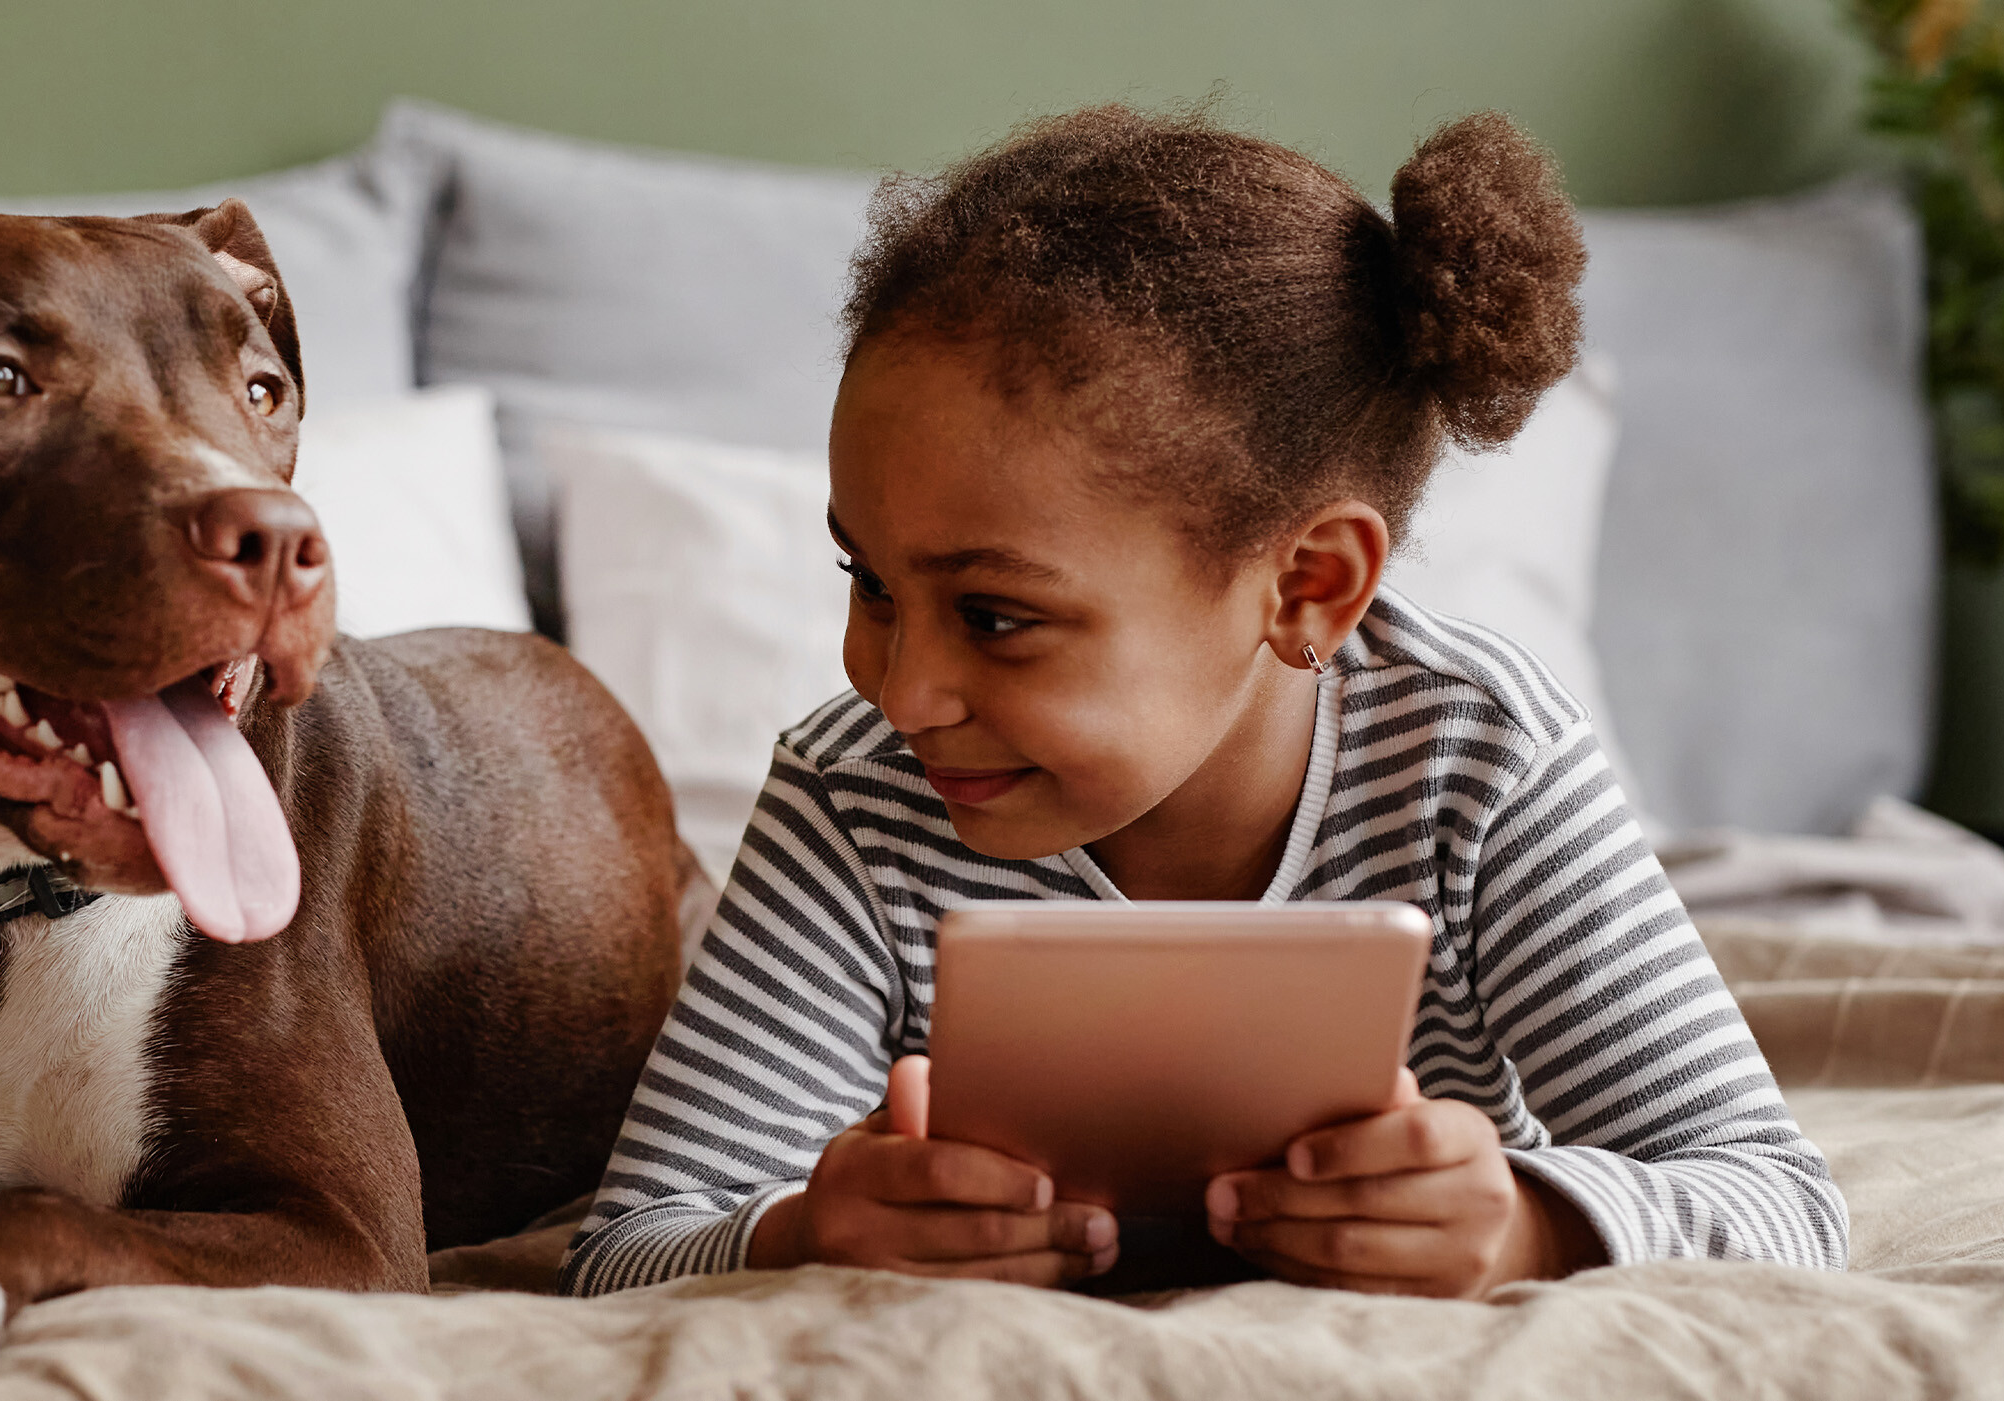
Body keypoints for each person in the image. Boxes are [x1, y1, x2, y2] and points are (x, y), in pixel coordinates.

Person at [560, 106, 1845, 1299]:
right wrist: (799, 1233)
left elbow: (1780, 1199)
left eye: (997, 617)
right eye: (870, 582)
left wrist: (1528, 1224)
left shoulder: (1477, 760)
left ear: (1308, 585)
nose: (901, 694)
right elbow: (625, 1248)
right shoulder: (853, 802)